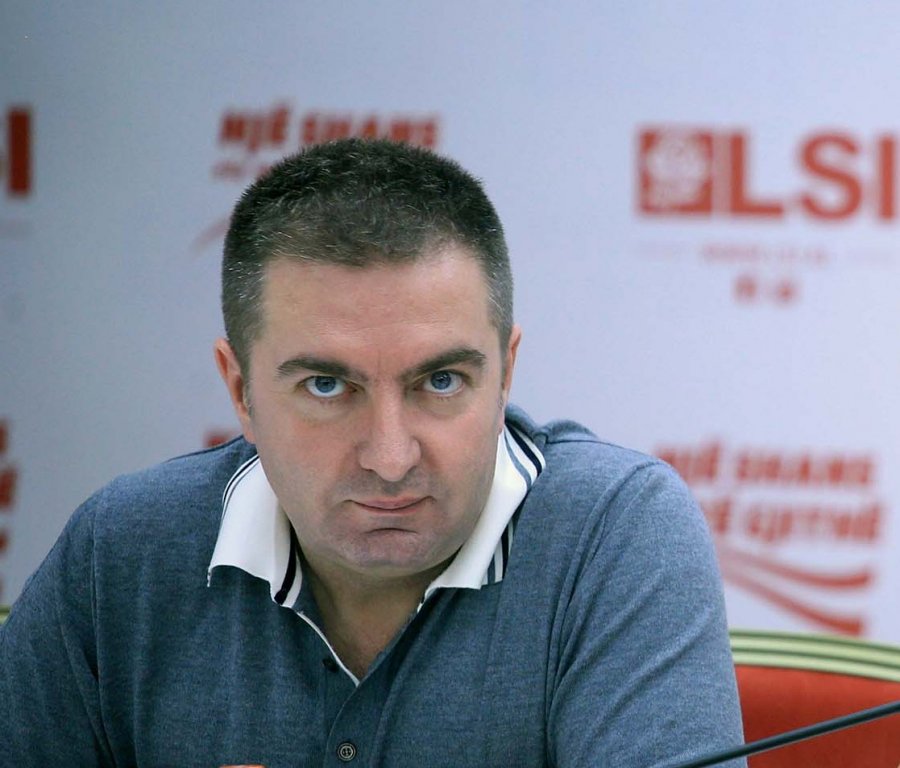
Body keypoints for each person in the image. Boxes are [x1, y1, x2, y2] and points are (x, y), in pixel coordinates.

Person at [0, 138, 745, 767]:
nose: (390, 458)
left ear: (505, 374)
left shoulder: (614, 534)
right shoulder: (123, 552)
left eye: (441, 381)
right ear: (241, 390)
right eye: (327, 387)